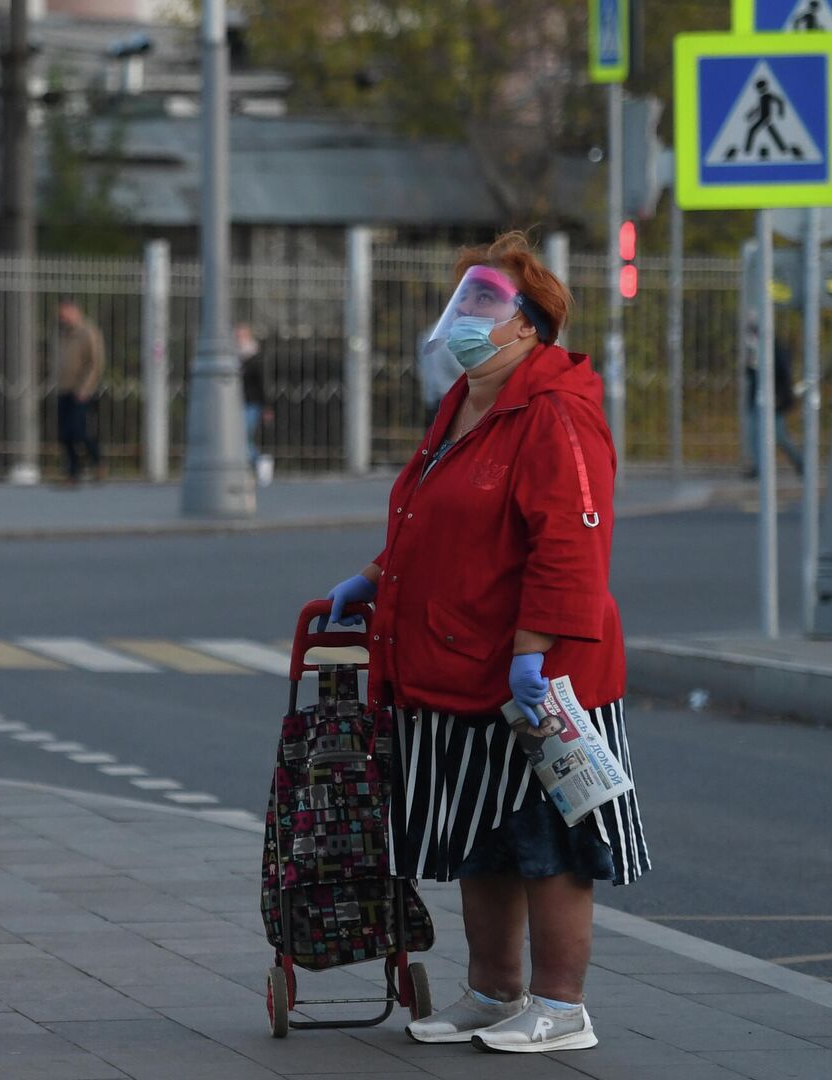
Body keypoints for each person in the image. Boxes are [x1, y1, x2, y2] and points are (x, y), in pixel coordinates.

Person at [322, 232, 649, 1054]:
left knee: (552, 842)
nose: (467, 314)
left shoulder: (554, 411)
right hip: (459, 662)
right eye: (465, 298)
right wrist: (375, 573)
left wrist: (533, 650)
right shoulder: (467, 399)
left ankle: (561, 1007)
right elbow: (434, 516)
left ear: (529, 327)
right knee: (482, 837)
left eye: (485, 303)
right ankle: (493, 992)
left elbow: (571, 542)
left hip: (539, 676)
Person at [741, 319, 805, 478]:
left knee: (779, 435)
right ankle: (758, 468)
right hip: (756, 398)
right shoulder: (753, 350)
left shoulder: (775, 347)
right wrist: (749, 364)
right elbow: (750, 374)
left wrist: (780, 396)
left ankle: (800, 462)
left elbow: (784, 373)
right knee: (753, 432)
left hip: (773, 398)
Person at [54, 300, 105, 484]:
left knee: (80, 431)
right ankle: (73, 472)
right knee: (65, 434)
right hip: (64, 389)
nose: (62, 318)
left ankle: (97, 463)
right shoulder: (63, 333)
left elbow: (95, 363)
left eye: (65, 313)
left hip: (82, 391)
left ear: (75, 311)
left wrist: (85, 388)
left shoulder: (87, 332)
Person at [237, 324, 275, 483]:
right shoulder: (236, 357)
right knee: (242, 438)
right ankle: (254, 465)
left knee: (243, 437)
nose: (238, 339)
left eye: (241, 336)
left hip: (252, 403)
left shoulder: (255, 357)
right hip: (238, 404)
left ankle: (260, 463)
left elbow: (263, 383)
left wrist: (267, 406)